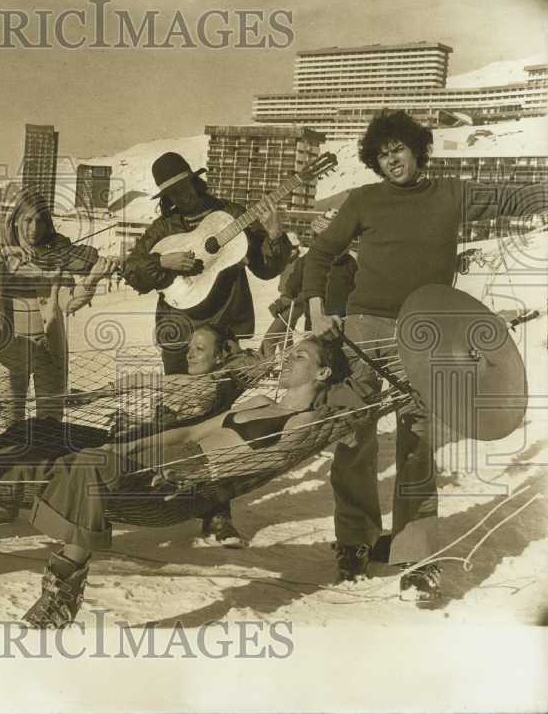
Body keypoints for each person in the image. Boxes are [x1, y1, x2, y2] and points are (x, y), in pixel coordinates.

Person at [0, 335, 348, 628]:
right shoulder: (258, 403)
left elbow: (261, 461)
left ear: (323, 373)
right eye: (290, 352)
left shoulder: (302, 421)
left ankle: (59, 581)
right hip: (156, 464)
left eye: (301, 356)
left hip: (182, 486)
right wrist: (127, 447)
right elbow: (188, 432)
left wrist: (189, 474)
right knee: (56, 455)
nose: (289, 359)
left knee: (75, 469)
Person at [304, 109, 548, 600]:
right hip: (365, 328)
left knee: (417, 440)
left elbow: (508, 197)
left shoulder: (451, 194)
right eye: (382, 155)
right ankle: (354, 540)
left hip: (429, 333)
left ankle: (416, 556)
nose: (392, 160)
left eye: (398, 149)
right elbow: (320, 254)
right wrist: (316, 309)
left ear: (418, 149)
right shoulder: (363, 200)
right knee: (353, 433)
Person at [122, 151, 292, 374]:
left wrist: (275, 236)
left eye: (184, 187)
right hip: (178, 327)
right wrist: (162, 261)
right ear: (166, 198)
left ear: (195, 182)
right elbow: (131, 270)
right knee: (177, 390)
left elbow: (266, 270)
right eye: (173, 193)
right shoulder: (164, 227)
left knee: (221, 390)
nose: (181, 196)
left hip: (223, 326)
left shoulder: (232, 215)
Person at [0, 189, 119, 432]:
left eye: (40, 221)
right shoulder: (4, 256)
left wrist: (91, 280)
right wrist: (5, 252)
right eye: (28, 220)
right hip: (11, 346)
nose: (34, 228)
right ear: (16, 220)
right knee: (10, 419)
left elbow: (69, 303)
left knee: (50, 418)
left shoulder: (55, 257)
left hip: (49, 347)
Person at [260, 211, 358, 358]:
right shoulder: (349, 262)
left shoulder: (311, 261)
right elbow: (292, 288)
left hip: (329, 324)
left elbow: (292, 288)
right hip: (326, 324)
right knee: (326, 356)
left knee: (324, 356)